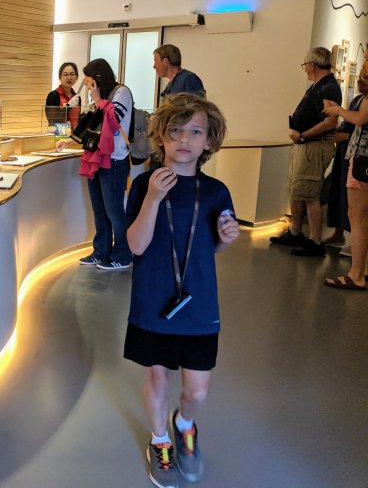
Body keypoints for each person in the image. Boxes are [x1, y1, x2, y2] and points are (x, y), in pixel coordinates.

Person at [125, 93, 239, 488]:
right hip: (153, 299)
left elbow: (215, 246)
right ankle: (160, 440)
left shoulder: (217, 191)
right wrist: (154, 199)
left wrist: (226, 238)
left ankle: (184, 423)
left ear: (209, 140)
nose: (185, 139)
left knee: (198, 391)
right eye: (175, 130)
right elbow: (136, 245)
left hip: (200, 304)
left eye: (195, 131)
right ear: (160, 136)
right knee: (157, 379)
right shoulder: (145, 185)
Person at [59, 58, 134, 270]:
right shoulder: (102, 97)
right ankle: (101, 251)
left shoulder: (121, 92)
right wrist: (70, 140)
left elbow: (113, 120)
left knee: (114, 211)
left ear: (98, 78)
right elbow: (91, 124)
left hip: (115, 160)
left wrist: (98, 99)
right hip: (97, 159)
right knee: (99, 210)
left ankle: (123, 254)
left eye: (89, 79)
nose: (86, 84)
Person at [269, 47, 341, 256]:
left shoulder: (328, 87)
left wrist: (303, 135)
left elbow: (331, 121)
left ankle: (315, 241)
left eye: (305, 65)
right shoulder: (319, 85)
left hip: (313, 147)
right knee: (298, 189)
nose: (305, 69)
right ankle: (296, 232)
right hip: (306, 146)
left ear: (311, 65)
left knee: (310, 193)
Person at [323, 60, 368, 289]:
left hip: (363, 161)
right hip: (360, 160)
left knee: (357, 218)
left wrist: (339, 111)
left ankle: (356, 274)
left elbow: (361, 119)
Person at [45, 62, 80, 129]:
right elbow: (52, 119)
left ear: (76, 77)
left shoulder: (77, 97)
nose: (69, 78)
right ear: (60, 77)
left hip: (74, 135)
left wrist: (86, 113)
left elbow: (76, 120)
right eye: (65, 75)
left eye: (72, 74)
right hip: (58, 134)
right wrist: (68, 106)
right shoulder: (53, 95)